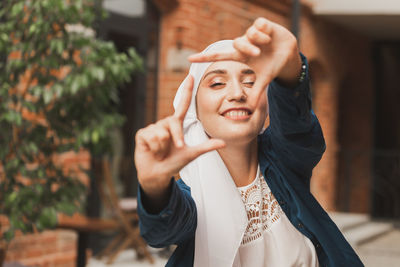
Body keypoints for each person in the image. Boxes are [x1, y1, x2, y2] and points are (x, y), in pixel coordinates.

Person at [134, 17, 364, 267]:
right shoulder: (188, 197)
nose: (237, 93)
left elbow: (296, 127)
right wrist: (154, 186)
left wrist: (289, 69)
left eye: (250, 81)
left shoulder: (284, 158)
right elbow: (163, 233)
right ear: (194, 109)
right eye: (217, 83)